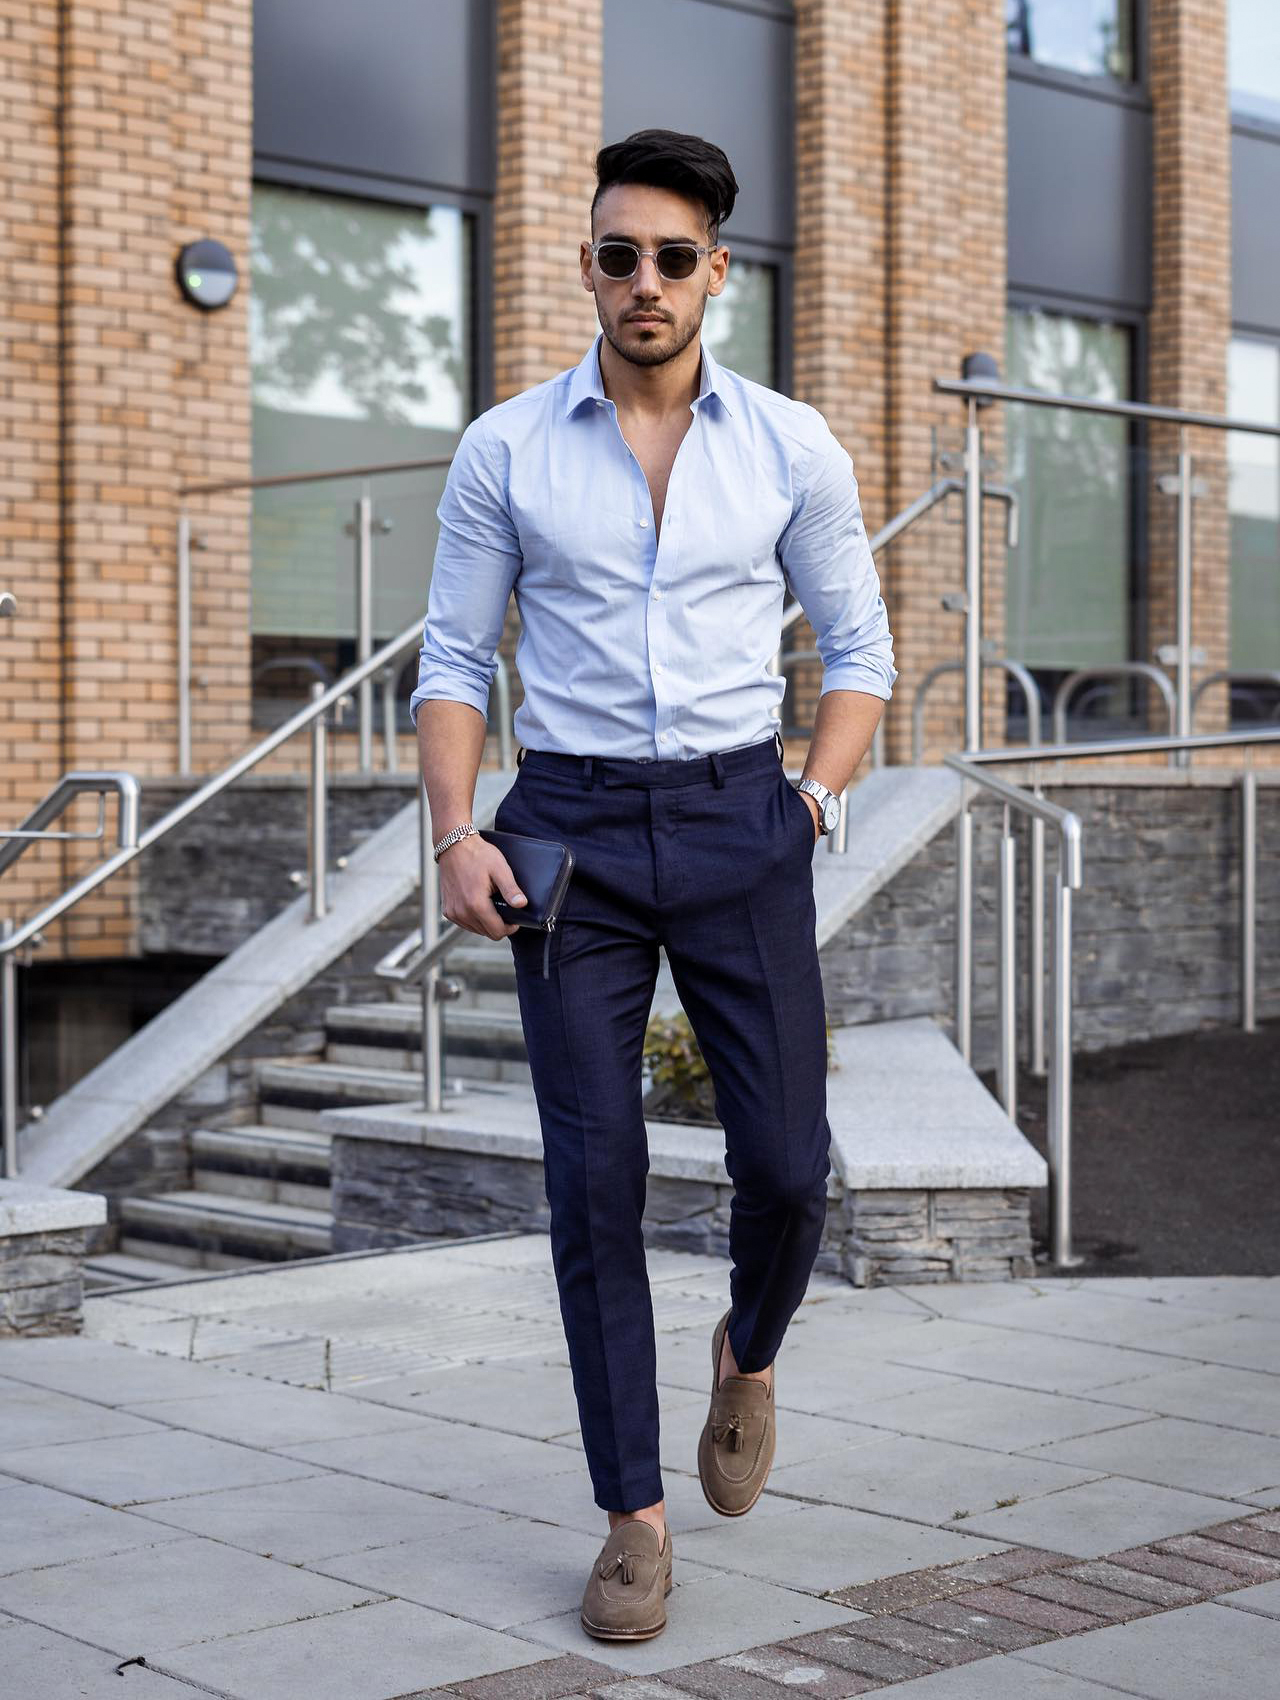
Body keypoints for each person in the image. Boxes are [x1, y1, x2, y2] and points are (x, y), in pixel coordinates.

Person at [410, 128, 897, 1642]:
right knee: (593, 1180)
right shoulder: (506, 447)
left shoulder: (790, 446)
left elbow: (861, 656)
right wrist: (453, 831)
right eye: (619, 254)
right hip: (568, 835)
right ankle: (633, 1514)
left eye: (673, 257)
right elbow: (450, 662)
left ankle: (747, 1351)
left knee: (791, 1164)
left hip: (739, 814)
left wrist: (810, 798)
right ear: (587, 265)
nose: (645, 281)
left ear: (717, 274)